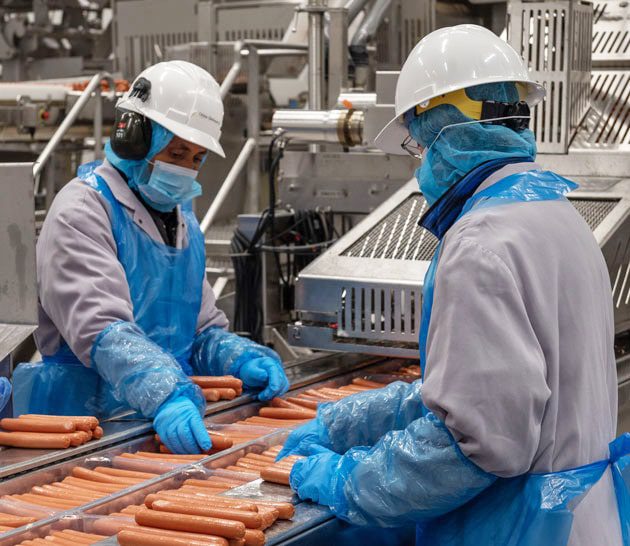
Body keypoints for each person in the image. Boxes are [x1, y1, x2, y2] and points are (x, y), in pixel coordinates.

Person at [277, 25, 629, 546]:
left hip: (517, 528)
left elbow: (480, 441)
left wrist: (347, 480)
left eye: (418, 143)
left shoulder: (479, 243)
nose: (420, 163)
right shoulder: (557, 215)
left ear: (447, 129)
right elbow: (483, 392)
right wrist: (351, 422)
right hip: (576, 518)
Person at [13, 60, 289, 454]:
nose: (186, 168)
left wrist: (238, 357)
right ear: (135, 139)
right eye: (176, 151)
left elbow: (199, 330)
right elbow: (103, 330)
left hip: (157, 425)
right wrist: (167, 393)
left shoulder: (182, 221)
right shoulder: (83, 209)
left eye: (196, 158)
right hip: (80, 428)